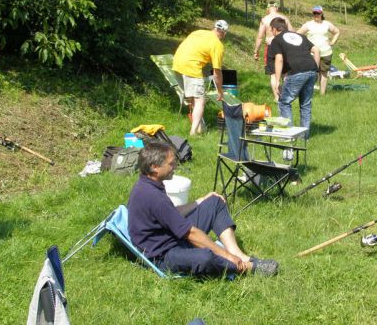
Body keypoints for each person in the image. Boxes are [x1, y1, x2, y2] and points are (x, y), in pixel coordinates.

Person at [127, 141, 279, 277]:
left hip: (170, 237)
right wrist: (225, 255)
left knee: (215, 202)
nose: (175, 166)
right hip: (163, 255)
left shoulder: (148, 184)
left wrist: (200, 201)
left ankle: (238, 254)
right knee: (206, 257)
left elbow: (172, 213)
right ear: (155, 168)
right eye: (171, 164)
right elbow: (190, 234)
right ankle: (246, 266)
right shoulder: (153, 196)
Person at [172, 20, 228, 135]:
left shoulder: (198, 32)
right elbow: (217, 72)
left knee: (194, 99)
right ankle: (193, 133)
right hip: (191, 67)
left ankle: (200, 127)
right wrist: (220, 91)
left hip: (177, 64)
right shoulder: (217, 45)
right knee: (200, 101)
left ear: (214, 28)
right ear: (224, 33)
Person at [269, 17, 320, 138]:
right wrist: (316, 70)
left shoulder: (276, 40)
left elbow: (279, 59)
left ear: (275, 29)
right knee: (305, 105)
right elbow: (316, 50)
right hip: (311, 69)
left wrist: (277, 81)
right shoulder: (299, 36)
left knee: (284, 102)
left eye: (271, 30)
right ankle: (304, 137)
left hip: (297, 71)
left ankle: (288, 136)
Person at [252, 1, 294, 101]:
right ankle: (286, 96)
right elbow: (293, 32)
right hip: (284, 46)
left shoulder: (264, 19)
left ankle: (276, 97)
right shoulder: (284, 18)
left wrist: (256, 51)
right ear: (277, 8)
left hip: (271, 46)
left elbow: (259, 37)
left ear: (268, 8)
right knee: (285, 73)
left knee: (273, 74)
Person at [297, 5, 340, 95]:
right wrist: (305, 46)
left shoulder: (327, 24)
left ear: (322, 13)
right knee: (311, 73)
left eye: (318, 13)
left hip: (326, 52)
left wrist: (332, 42)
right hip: (312, 54)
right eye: (314, 13)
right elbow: (298, 34)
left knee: (324, 73)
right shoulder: (308, 24)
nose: (316, 15)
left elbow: (337, 32)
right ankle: (308, 92)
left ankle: (322, 93)